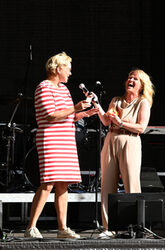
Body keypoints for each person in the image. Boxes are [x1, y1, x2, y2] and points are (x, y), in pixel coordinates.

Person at [24, 52, 98, 239]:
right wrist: (76, 107)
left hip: (66, 139)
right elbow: (50, 115)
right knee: (48, 182)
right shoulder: (44, 87)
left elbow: (67, 116)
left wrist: (85, 113)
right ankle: (31, 227)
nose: (70, 73)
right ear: (58, 69)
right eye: (68, 69)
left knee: (63, 184)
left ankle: (62, 228)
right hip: (51, 138)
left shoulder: (64, 89)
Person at [93, 69, 154, 236]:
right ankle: (108, 228)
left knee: (132, 185)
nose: (131, 80)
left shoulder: (143, 103)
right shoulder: (116, 100)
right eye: (129, 77)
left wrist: (121, 123)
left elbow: (141, 127)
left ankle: (136, 227)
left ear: (141, 85)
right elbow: (106, 121)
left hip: (130, 141)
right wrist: (97, 104)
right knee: (107, 185)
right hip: (111, 140)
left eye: (135, 78)